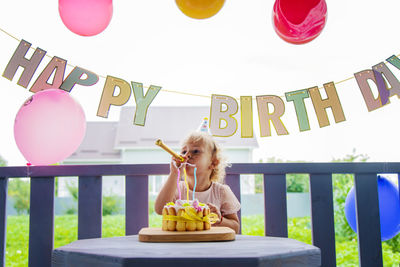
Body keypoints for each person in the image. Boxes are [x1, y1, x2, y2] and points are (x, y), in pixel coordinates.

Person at [154, 131, 241, 233]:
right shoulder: (177, 188)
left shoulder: (221, 192)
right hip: (180, 243)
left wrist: (219, 219)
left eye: (195, 151)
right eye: (183, 152)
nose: (187, 155)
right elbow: (159, 210)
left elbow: (235, 227)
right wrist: (174, 173)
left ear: (213, 162)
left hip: (211, 245)